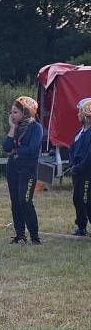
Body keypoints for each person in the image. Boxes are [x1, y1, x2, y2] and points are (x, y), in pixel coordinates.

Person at [3, 96, 43, 245]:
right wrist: (12, 128)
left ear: (25, 113)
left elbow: (32, 149)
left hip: (28, 171)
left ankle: (35, 237)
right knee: (15, 202)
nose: (11, 115)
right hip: (13, 169)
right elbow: (6, 147)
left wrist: (17, 150)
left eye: (15, 112)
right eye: (12, 112)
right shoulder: (16, 127)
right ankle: (20, 235)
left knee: (25, 201)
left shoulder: (36, 128)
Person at [68, 98, 91, 236]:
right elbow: (72, 149)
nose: (77, 114)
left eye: (79, 112)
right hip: (77, 172)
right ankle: (81, 227)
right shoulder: (79, 132)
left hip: (87, 172)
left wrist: (79, 167)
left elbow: (89, 155)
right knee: (78, 199)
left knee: (87, 199)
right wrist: (72, 164)